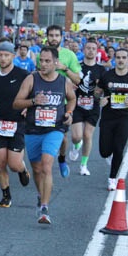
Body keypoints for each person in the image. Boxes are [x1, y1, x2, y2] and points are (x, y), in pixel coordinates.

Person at [11, 46, 76, 224]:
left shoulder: (63, 82)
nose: (43, 64)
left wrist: (69, 113)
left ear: (56, 63)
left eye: (48, 61)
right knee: (37, 169)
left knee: (47, 166)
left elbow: (72, 98)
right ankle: (41, 196)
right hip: (33, 129)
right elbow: (16, 103)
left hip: (54, 128)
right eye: (41, 61)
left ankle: (45, 208)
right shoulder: (31, 79)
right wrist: (33, 101)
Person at [0, 41, 32, 208]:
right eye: (0, 55)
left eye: (6, 55)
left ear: (13, 56)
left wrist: (27, 108)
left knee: (14, 164)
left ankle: (23, 170)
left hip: (17, 122)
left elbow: (34, 95)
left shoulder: (23, 75)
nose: (2, 58)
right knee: (0, 161)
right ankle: (6, 195)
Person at [45, 25, 82, 178]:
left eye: (56, 35)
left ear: (61, 37)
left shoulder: (69, 55)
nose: (54, 38)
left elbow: (78, 80)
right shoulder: (43, 54)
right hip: (45, 100)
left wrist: (64, 68)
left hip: (63, 101)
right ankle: (44, 165)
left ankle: (61, 158)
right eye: (51, 35)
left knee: (62, 137)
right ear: (47, 37)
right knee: (43, 134)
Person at [69, 39, 106, 176]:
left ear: (97, 52)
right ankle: (76, 145)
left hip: (93, 106)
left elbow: (103, 89)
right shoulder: (77, 66)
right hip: (78, 104)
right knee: (77, 137)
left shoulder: (101, 69)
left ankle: (83, 165)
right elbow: (69, 82)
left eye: (93, 48)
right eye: (88, 48)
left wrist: (100, 91)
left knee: (87, 135)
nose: (90, 50)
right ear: (84, 50)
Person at [96, 48, 128, 191]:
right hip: (108, 118)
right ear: (114, 59)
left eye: (124, 57)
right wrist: (100, 99)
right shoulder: (107, 76)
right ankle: (109, 158)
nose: (121, 60)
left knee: (118, 148)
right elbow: (97, 92)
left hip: (125, 118)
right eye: (118, 57)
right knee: (104, 151)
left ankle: (112, 178)